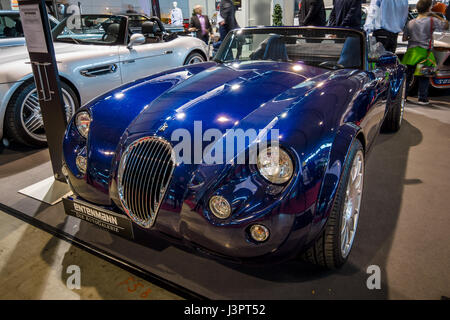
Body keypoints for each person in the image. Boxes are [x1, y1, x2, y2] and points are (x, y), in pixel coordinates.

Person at [402, 0, 449, 105]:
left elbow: (405, 38)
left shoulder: (411, 22)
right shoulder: (431, 20)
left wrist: (414, 37)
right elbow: (445, 26)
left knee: (408, 76)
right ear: (429, 8)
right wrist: (436, 15)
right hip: (425, 53)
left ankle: (403, 97)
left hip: (411, 52)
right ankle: (422, 98)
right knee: (424, 76)